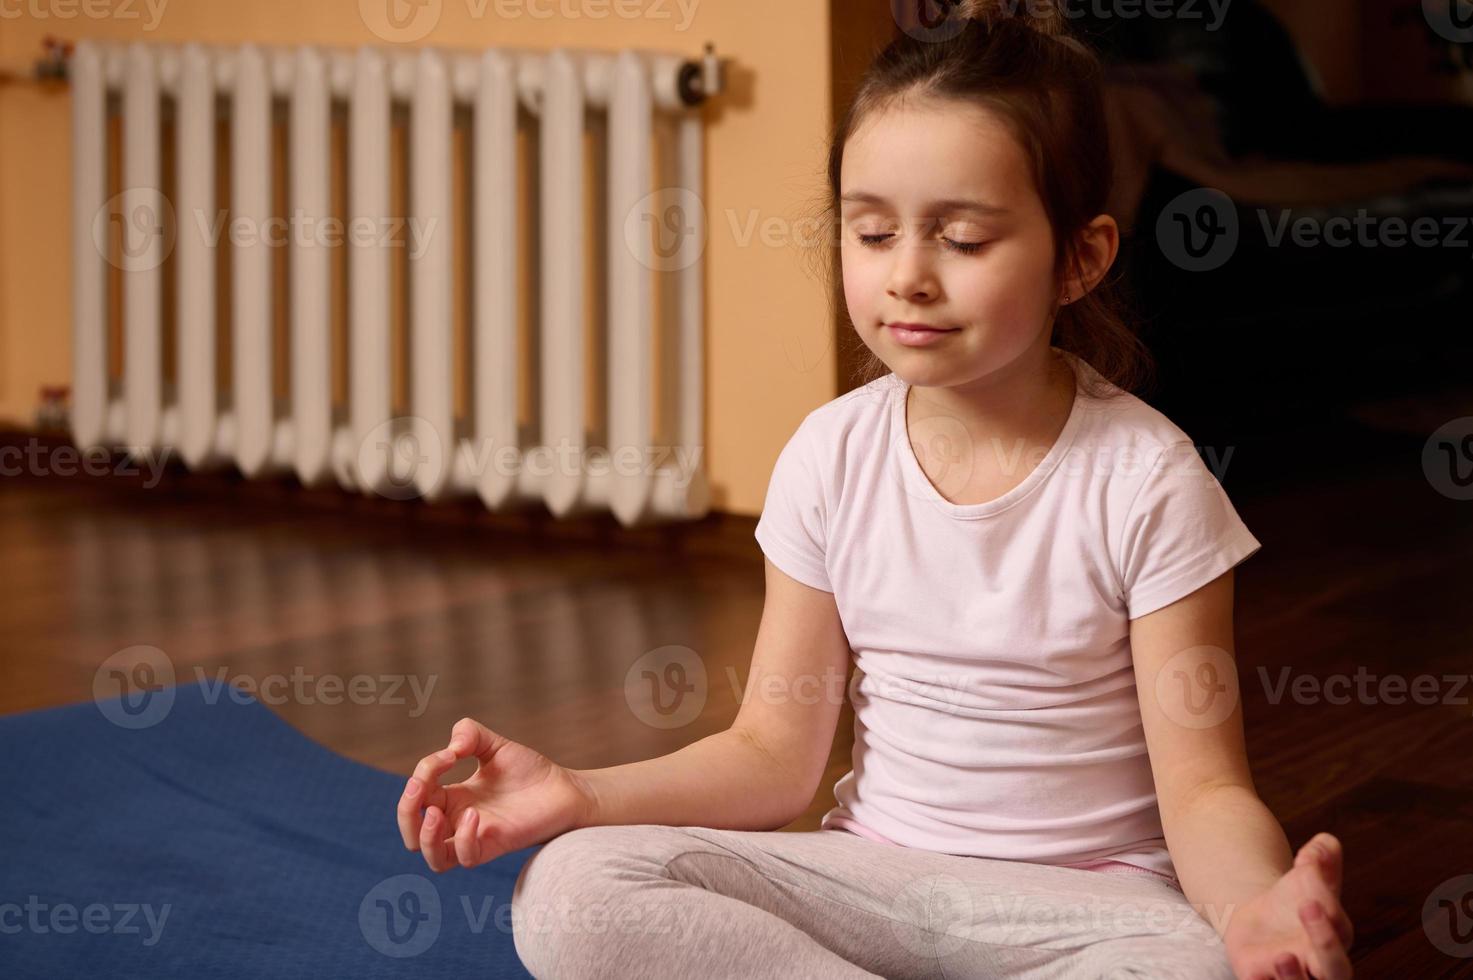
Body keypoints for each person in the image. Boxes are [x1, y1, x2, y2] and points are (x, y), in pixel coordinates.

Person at [395, 2, 1355, 976]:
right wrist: (578, 792)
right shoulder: (827, 455)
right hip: (873, 881)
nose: (908, 277)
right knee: (572, 887)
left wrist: (1250, 910)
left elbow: (1205, 793)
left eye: (964, 240)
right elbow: (772, 754)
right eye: (871, 232)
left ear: (1081, 258)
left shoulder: (1149, 481)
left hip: (1088, 911)